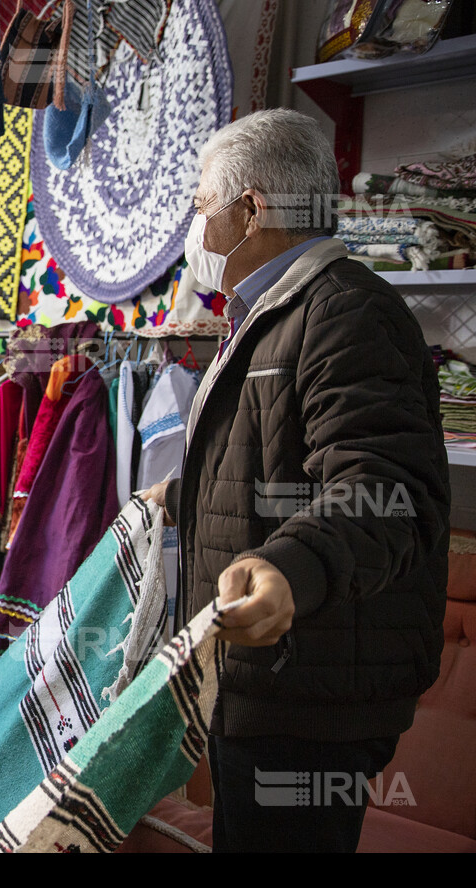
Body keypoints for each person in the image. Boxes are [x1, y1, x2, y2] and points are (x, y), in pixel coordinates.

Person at [144, 108, 449, 853]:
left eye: (201, 205)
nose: (195, 228)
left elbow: (386, 488)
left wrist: (291, 568)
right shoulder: (272, 315)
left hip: (310, 695)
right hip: (268, 681)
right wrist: (180, 501)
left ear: (252, 210)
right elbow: (277, 469)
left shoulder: (348, 312)